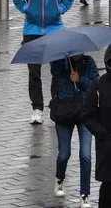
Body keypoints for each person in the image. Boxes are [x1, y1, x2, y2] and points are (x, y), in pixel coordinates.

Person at [11, 0, 74, 124]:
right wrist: (27, 8)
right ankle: (37, 109)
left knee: (58, 71)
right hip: (32, 30)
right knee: (34, 73)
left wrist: (59, 9)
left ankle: (56, 104)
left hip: (55, 29)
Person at [50, 54, 98, 208]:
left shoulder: (89, 62)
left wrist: (80, 79)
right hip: (65, 113)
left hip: (85, 114)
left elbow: (95, 85)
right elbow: (57, 83)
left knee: (85, 155)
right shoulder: (59, 63)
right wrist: (66, 69)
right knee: (64, 153)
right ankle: (59, 178)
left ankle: (84, 195)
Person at [82, 44, 111, 208]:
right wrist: (103, 135)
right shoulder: (99, 85)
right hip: (108, 150)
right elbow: (87, 115)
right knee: (108, 189)